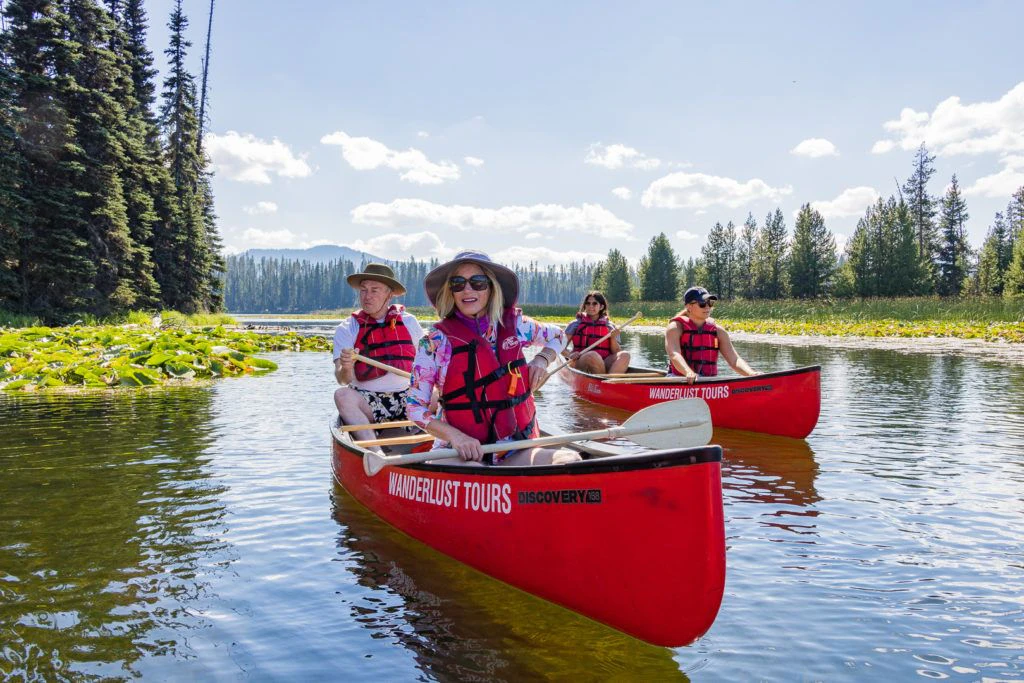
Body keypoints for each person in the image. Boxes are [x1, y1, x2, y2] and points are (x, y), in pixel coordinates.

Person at [406, 251, 581, 466]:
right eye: (458, 283)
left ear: (491, 288)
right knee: (473, 469)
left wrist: (542, 359)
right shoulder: (433, 342)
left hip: (512, 448)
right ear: (450, 291)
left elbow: (558, 336)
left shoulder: (516, 326)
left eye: (478, 282)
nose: (467, 289)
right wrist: (456, 437)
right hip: (458, 453)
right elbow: (415, 407)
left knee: (569, 460)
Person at [333, 263, 425, 444]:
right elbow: (343, 379)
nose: (367, 296)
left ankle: (431, 447)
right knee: (342, 395)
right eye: (363, 290)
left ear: (389, 294)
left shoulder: (409, 321)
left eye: (374, 290)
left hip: (407, 397)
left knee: (440, 393)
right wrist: (346, 366)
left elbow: (427, 364)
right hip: (369, 400)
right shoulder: (348, 327)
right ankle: (375, 451)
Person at [665, 286, 758, 384]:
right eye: (702, 303)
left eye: (710, 303)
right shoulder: (675, 328)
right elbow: (674, 354)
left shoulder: (718, 331)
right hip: (680, 379)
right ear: (689, 306)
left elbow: (734, 360)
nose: (707, 307)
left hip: (708, 381)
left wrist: (751, 374)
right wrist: (688, 372)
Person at [562, 290, 631, 375]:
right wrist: (570, 355)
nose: (591, 306)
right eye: (588, 303)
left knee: (625, 355)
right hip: (580, 361)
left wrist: (612, 338)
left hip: (604, 361)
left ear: (601, 306)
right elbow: (560, 347)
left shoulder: (609, 326)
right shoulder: (575, 324)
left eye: (595, 303)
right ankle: (603, 381)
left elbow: (616, 351)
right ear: (584, 306)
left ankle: (610, 381)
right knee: (592, 355)